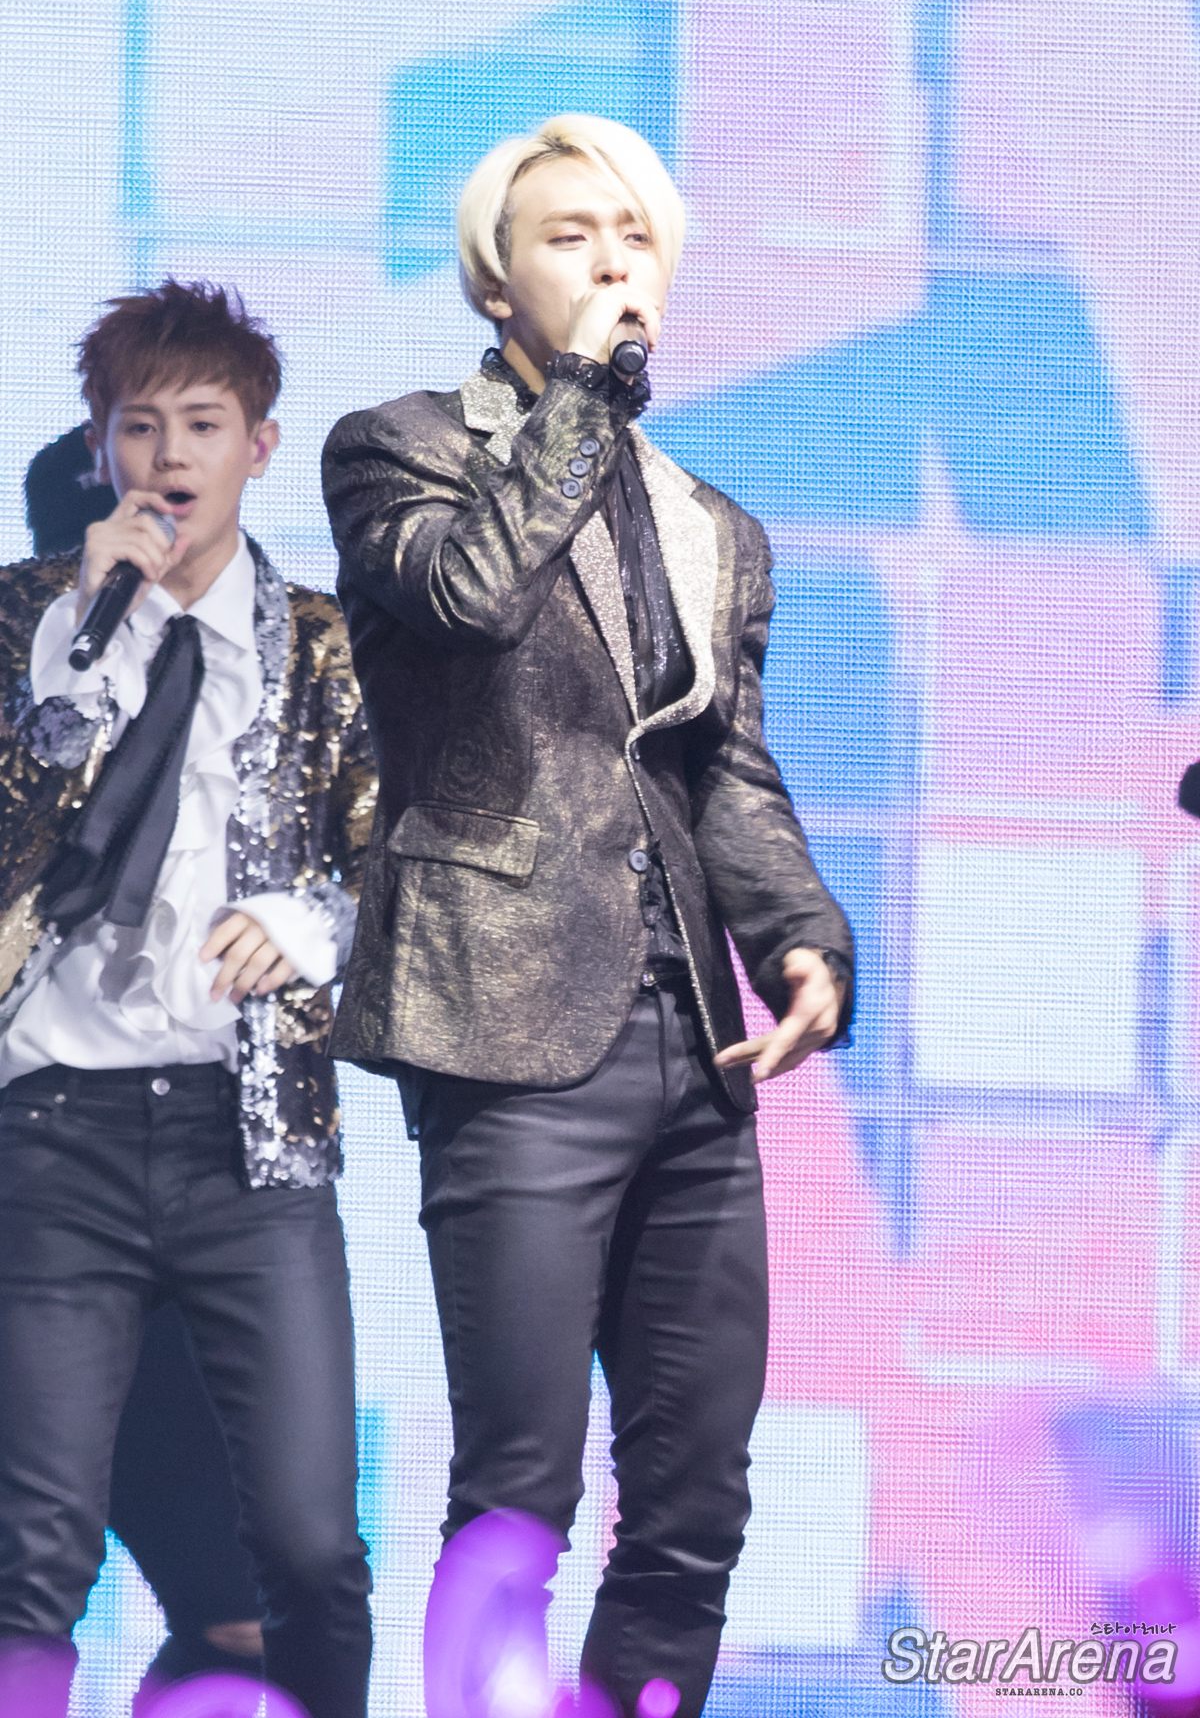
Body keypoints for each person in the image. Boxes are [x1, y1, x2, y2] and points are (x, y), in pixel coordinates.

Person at [322, 113, 855, 1718]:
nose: (614, 262)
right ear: (497, 283)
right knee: (519, 1493)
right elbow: (470, 596)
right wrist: (579, 401)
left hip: (690, 1040)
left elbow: (724, 769)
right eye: (571, 236)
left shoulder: (708, 521)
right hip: (505, 1021)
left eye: (635, 238)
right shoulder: (398, 449)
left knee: (695, 1501)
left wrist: (799, 940)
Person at [0, 280, 377, 1718]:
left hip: (251, 1140)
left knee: (310, 1550)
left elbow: (399, 868)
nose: (168, 456)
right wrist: (78, 650)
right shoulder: (24, 627)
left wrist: (316, 921)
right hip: (54, 1132)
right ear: (101, 446)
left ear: (258, 447)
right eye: (139, 425)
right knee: (32, 1554)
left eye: (202, 425)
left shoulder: (325, 646)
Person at [22, 423, 268, 1706]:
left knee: (246, 1613)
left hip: (189, 1177)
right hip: (34, 1177)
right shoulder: (35, 703)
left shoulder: (263, 690)